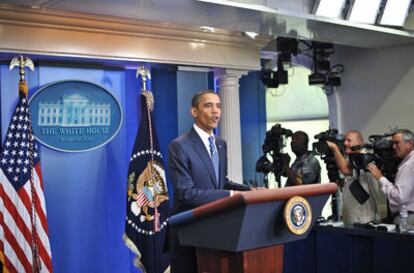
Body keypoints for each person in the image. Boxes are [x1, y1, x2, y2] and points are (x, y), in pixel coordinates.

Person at [168, 90, 251, 273]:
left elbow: (222, 182)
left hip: (216, 234)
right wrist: (232, 195)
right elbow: (186, 193)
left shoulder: (221, 143)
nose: (215, 111)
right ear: (194, 112)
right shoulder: (180, 145)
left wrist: (250, 191)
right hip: (188, 235)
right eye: (208, 105)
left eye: (218, 106)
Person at [327, 130, 386, 225]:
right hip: (352, 215)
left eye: (349, 140)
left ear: (360, 142)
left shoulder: (366, 159)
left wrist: (335, 148)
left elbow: (346, 170)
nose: (345, 143)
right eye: (345, 140)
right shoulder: (350, 158)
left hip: (365, 217)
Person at [367, 129, 414, 229]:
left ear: (409, 143)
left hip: (407, 219)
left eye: (397, 143)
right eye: (392, 143)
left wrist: (380, 177)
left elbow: (399, 197)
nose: (393, 147)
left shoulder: (409, 164)